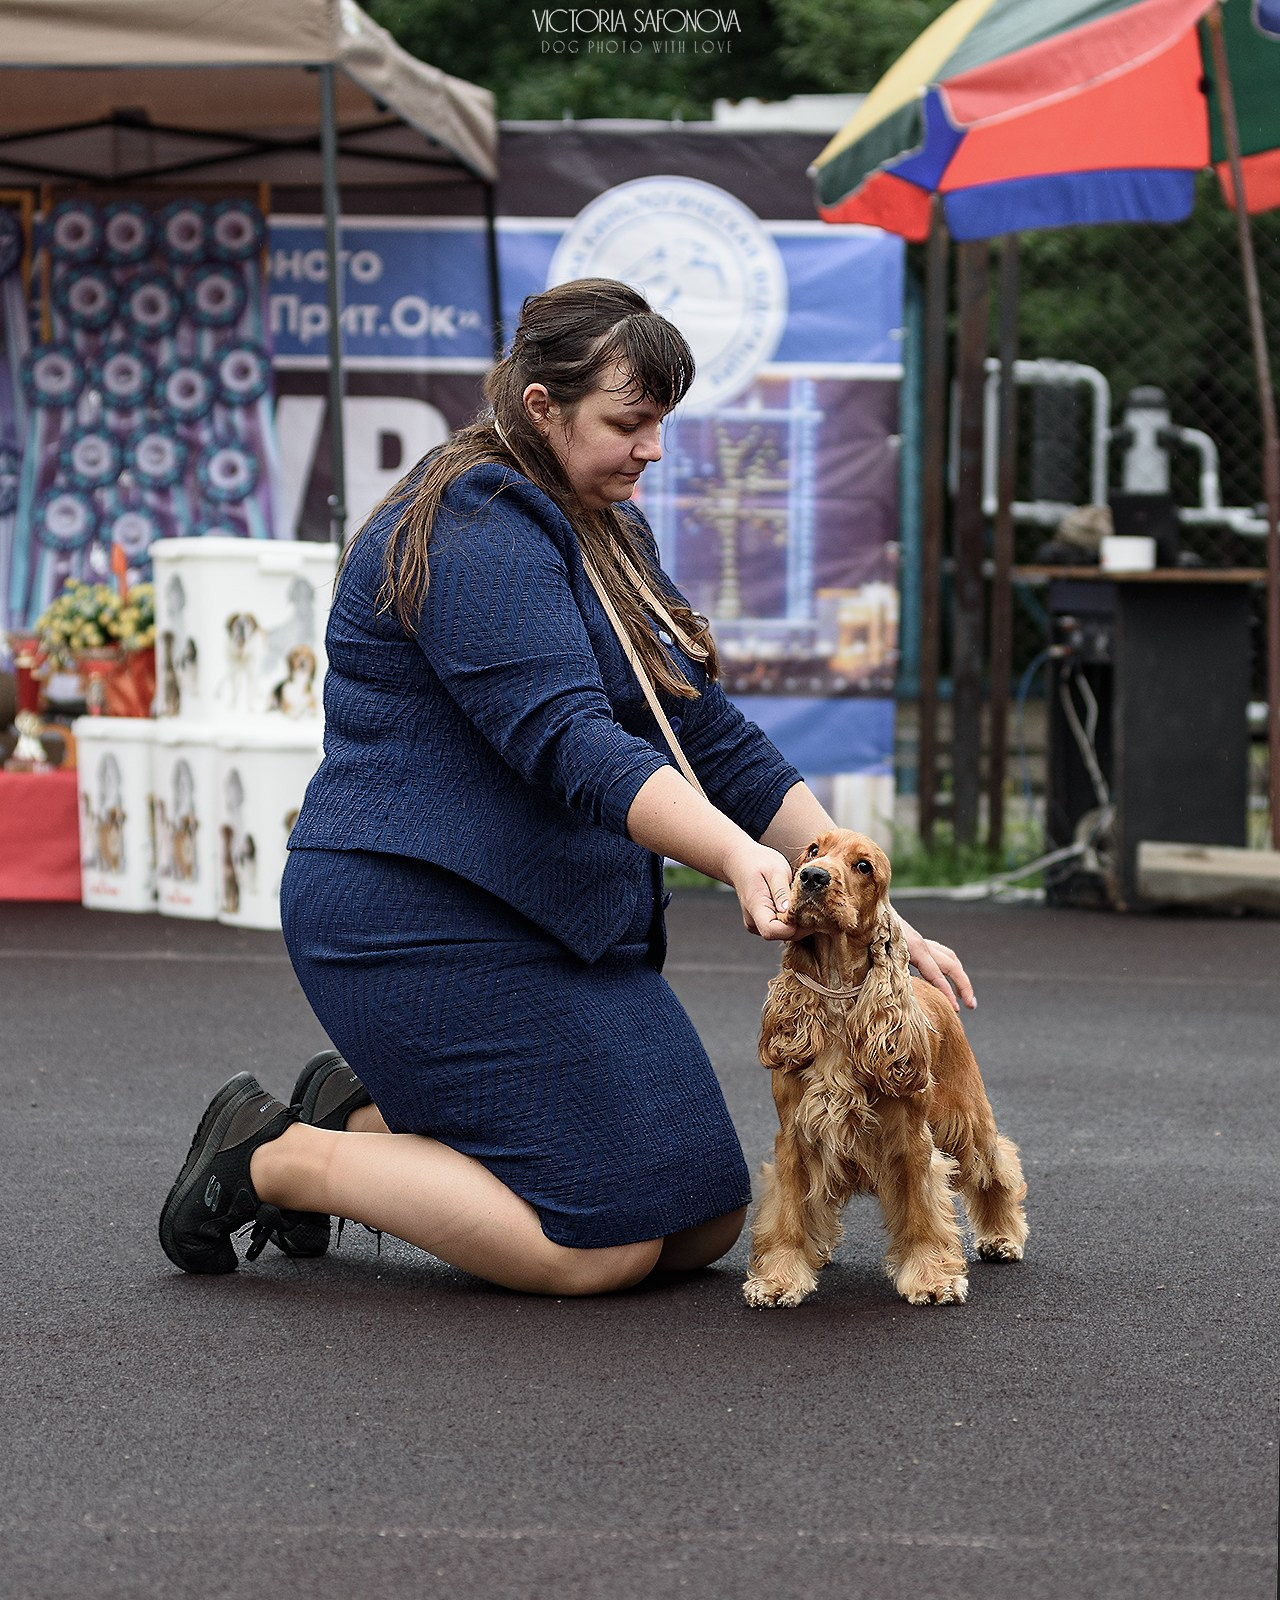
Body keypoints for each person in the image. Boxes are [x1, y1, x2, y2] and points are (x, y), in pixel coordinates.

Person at [158, 278, 974, 1296]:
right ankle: (275, 1154)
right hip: (413, 910)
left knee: (698, 1216)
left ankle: (352, 1114)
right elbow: (569, 741)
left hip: (546, 914)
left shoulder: (604, 523)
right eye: (627, 422)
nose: (652, 449)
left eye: (661, 423)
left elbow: (701, 729)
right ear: (540, 407)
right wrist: (731, 856)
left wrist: (852, 877)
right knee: (594, 1244)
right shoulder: (473, 516)